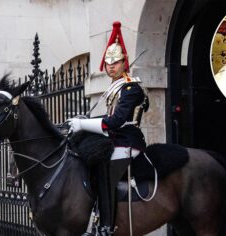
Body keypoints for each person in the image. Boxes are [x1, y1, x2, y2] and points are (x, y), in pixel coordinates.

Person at [68, 21, 148, 235]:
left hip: (129, 140)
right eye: (108, 62)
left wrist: (84, 124)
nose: (111, 66)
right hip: (116, 138)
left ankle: (106, 226)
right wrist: (84, 122)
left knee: (105, 169)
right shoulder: (115, 87)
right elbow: (108, 118)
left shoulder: (131, 88)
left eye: (116, 62)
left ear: (124, 63)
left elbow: (116, 121)